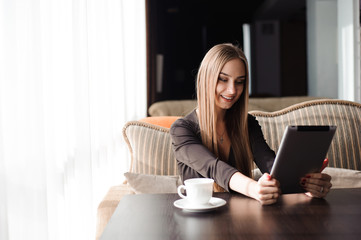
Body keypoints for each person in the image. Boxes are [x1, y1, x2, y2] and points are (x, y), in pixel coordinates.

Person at [170, 43, 332, 205]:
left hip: (241, 218)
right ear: (206, 79)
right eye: (223, 79)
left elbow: (271, 167)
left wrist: (306, 186)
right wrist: (253, 188)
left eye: (239, 82)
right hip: (200, 221)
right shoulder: (181, 130)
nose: (232, 90)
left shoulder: (248, 124)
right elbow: (213, 167)